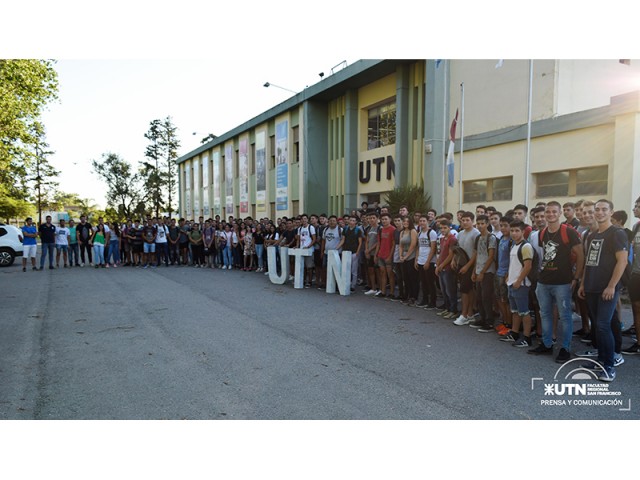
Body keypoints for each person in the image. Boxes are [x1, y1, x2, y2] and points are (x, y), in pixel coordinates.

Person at [578, 199, 629, 382]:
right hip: (591, 287)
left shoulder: (617, 233)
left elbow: (622, 261)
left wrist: (611, 286)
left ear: (611, 212)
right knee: (597, 326)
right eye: (597, 209)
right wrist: (583, 284)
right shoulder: (591, 236)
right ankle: (600, 360)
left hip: (607, 289)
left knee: (603, 325)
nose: (599, 213)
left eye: (603, 209)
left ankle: (609, 365)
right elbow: (588, 264)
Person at [528, 201, 584, 363]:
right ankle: (547, 344)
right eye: (548, 212)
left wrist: (576, 278)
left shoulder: (569, 232)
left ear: (559, 213)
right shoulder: (542, 233)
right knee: (544, 314)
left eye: (554, 212)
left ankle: (565, 348)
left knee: (565, 316)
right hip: (544, 281)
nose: (550, 214)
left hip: (563, 282)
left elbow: (580, 255)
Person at [501, 220, 535, 346]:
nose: (514, 234)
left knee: (524, 312)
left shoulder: (526, 246)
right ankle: (514, 333)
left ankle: (527, 337)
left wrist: (519, 280)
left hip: (521, 285)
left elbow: (528, 266)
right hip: (511, 283)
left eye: (517, 231)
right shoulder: (513, 245)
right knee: (515, 311)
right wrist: (509, 277)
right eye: (512, 231)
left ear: (523, 232)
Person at [469, 215, 498, 332]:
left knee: (486, 297)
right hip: (478, 270)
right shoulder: (478, 238)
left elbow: (491, 257)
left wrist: (482, 272)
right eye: (478, 223)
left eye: (482, 223)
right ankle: (482, 318)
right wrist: (474, 271)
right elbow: (476, 255)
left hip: (488, 272)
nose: (480, 226)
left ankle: (490, 321)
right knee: (479, 297)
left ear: (487, 224)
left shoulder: (491, 238)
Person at [454, 212, 479, 324]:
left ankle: (464, 315)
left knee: (465, 290)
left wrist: (468, 266)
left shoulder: (476, 234)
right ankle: (470, 314)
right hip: (461, 264)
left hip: (470, 266)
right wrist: (454, 260)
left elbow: (476, 253)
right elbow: (458, 249)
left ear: (472, 221)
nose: (465, 222)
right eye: (463, 220)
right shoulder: (460, 234)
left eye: (467, 220)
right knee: (467, 290)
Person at [623, 197, 640, 354]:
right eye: (635, 205)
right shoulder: (635, 226)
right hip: (635, 273)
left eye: (638, 206)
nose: (634, 208)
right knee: (636, 307)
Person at [434, 219, 459, 319]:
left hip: (448, 268)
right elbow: (441, 253)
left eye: (445, 228)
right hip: (441, 267)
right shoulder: (442, 239)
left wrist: (442, 265)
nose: (443, 230)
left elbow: (450, 255)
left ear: (450, 228)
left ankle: (453, 310)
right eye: (441, 228)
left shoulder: (452, 239)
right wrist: (438, 264)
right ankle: (447, 308)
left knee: (450, 290)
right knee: (444, 290)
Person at [414, 215, 437, 308]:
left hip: (429, 261)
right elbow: (418, 247)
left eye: (424, 221)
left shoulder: (432, 233)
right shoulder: (419, 233)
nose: (422, 222)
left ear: (427, 221)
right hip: (420, 260)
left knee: (430, 282)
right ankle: (425, 300)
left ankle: (433, 302)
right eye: (420, 221)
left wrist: (428, 261)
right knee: (423, 282)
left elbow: (433, 248)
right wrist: (416, 259)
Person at [336, 216, 363, 293]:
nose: (351, 221)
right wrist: (337, 248)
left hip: (354, 252)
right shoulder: (345, 229)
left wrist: (357, 252)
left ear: (355, 222)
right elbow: (343, 240)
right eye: (350, 220)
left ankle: (353, 285)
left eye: (353, 220)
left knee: (353, 270)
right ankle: (344, 283)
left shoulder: (358, 230)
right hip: (345, 252)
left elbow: (360, 242)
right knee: (344, 268)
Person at [374, 213, 396, 299]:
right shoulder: (380, 230)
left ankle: (392, 292)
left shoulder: (393, 229)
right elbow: (379, 243)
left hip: (388, 255)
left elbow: (394, 244)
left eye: (386, 219)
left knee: (390, 274)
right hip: (381, 255)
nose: (384, 221)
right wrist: (376, 254)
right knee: (382, 273)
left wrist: (390, 256)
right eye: (382, 219)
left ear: (390, 220)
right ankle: (382, 291)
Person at [398, 216, 419, 306]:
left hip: (412, 256)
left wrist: (406, 256)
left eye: (407, 221)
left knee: (412, 278)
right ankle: (406, 295)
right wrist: (400, 256)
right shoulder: (402, 232)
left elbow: (413, 245)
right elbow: (400, 245)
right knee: (405, 278)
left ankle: (413, 297)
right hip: (404, 257)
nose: (405, 222)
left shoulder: (413, 231)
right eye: (404, 221)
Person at [295, 214, 316, 288]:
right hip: (301, 250)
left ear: (307, 219)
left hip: (309, 250)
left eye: (305, 219)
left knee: (309, 267)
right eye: (302, 219)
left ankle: (309, 282)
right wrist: (297, 247)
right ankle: (303, 280)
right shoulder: (299, 229)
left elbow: (314, 239)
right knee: (302, 267)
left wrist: (308, 246)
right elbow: (298, 239)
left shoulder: (311, 227)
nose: (304, 220)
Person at [364, 212, 381, 295]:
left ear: (377, 219)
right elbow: (367, 240)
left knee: (378, 271)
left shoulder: (379, 228)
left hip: (376, 253)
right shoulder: (368, 229)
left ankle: (380, 289)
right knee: (371, 270)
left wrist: (370, 250)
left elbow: (378, 242)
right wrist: (367, 250)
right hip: (369, 253)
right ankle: (373, 288)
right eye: (370, 218)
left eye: (373, 218)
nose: (371, 220)